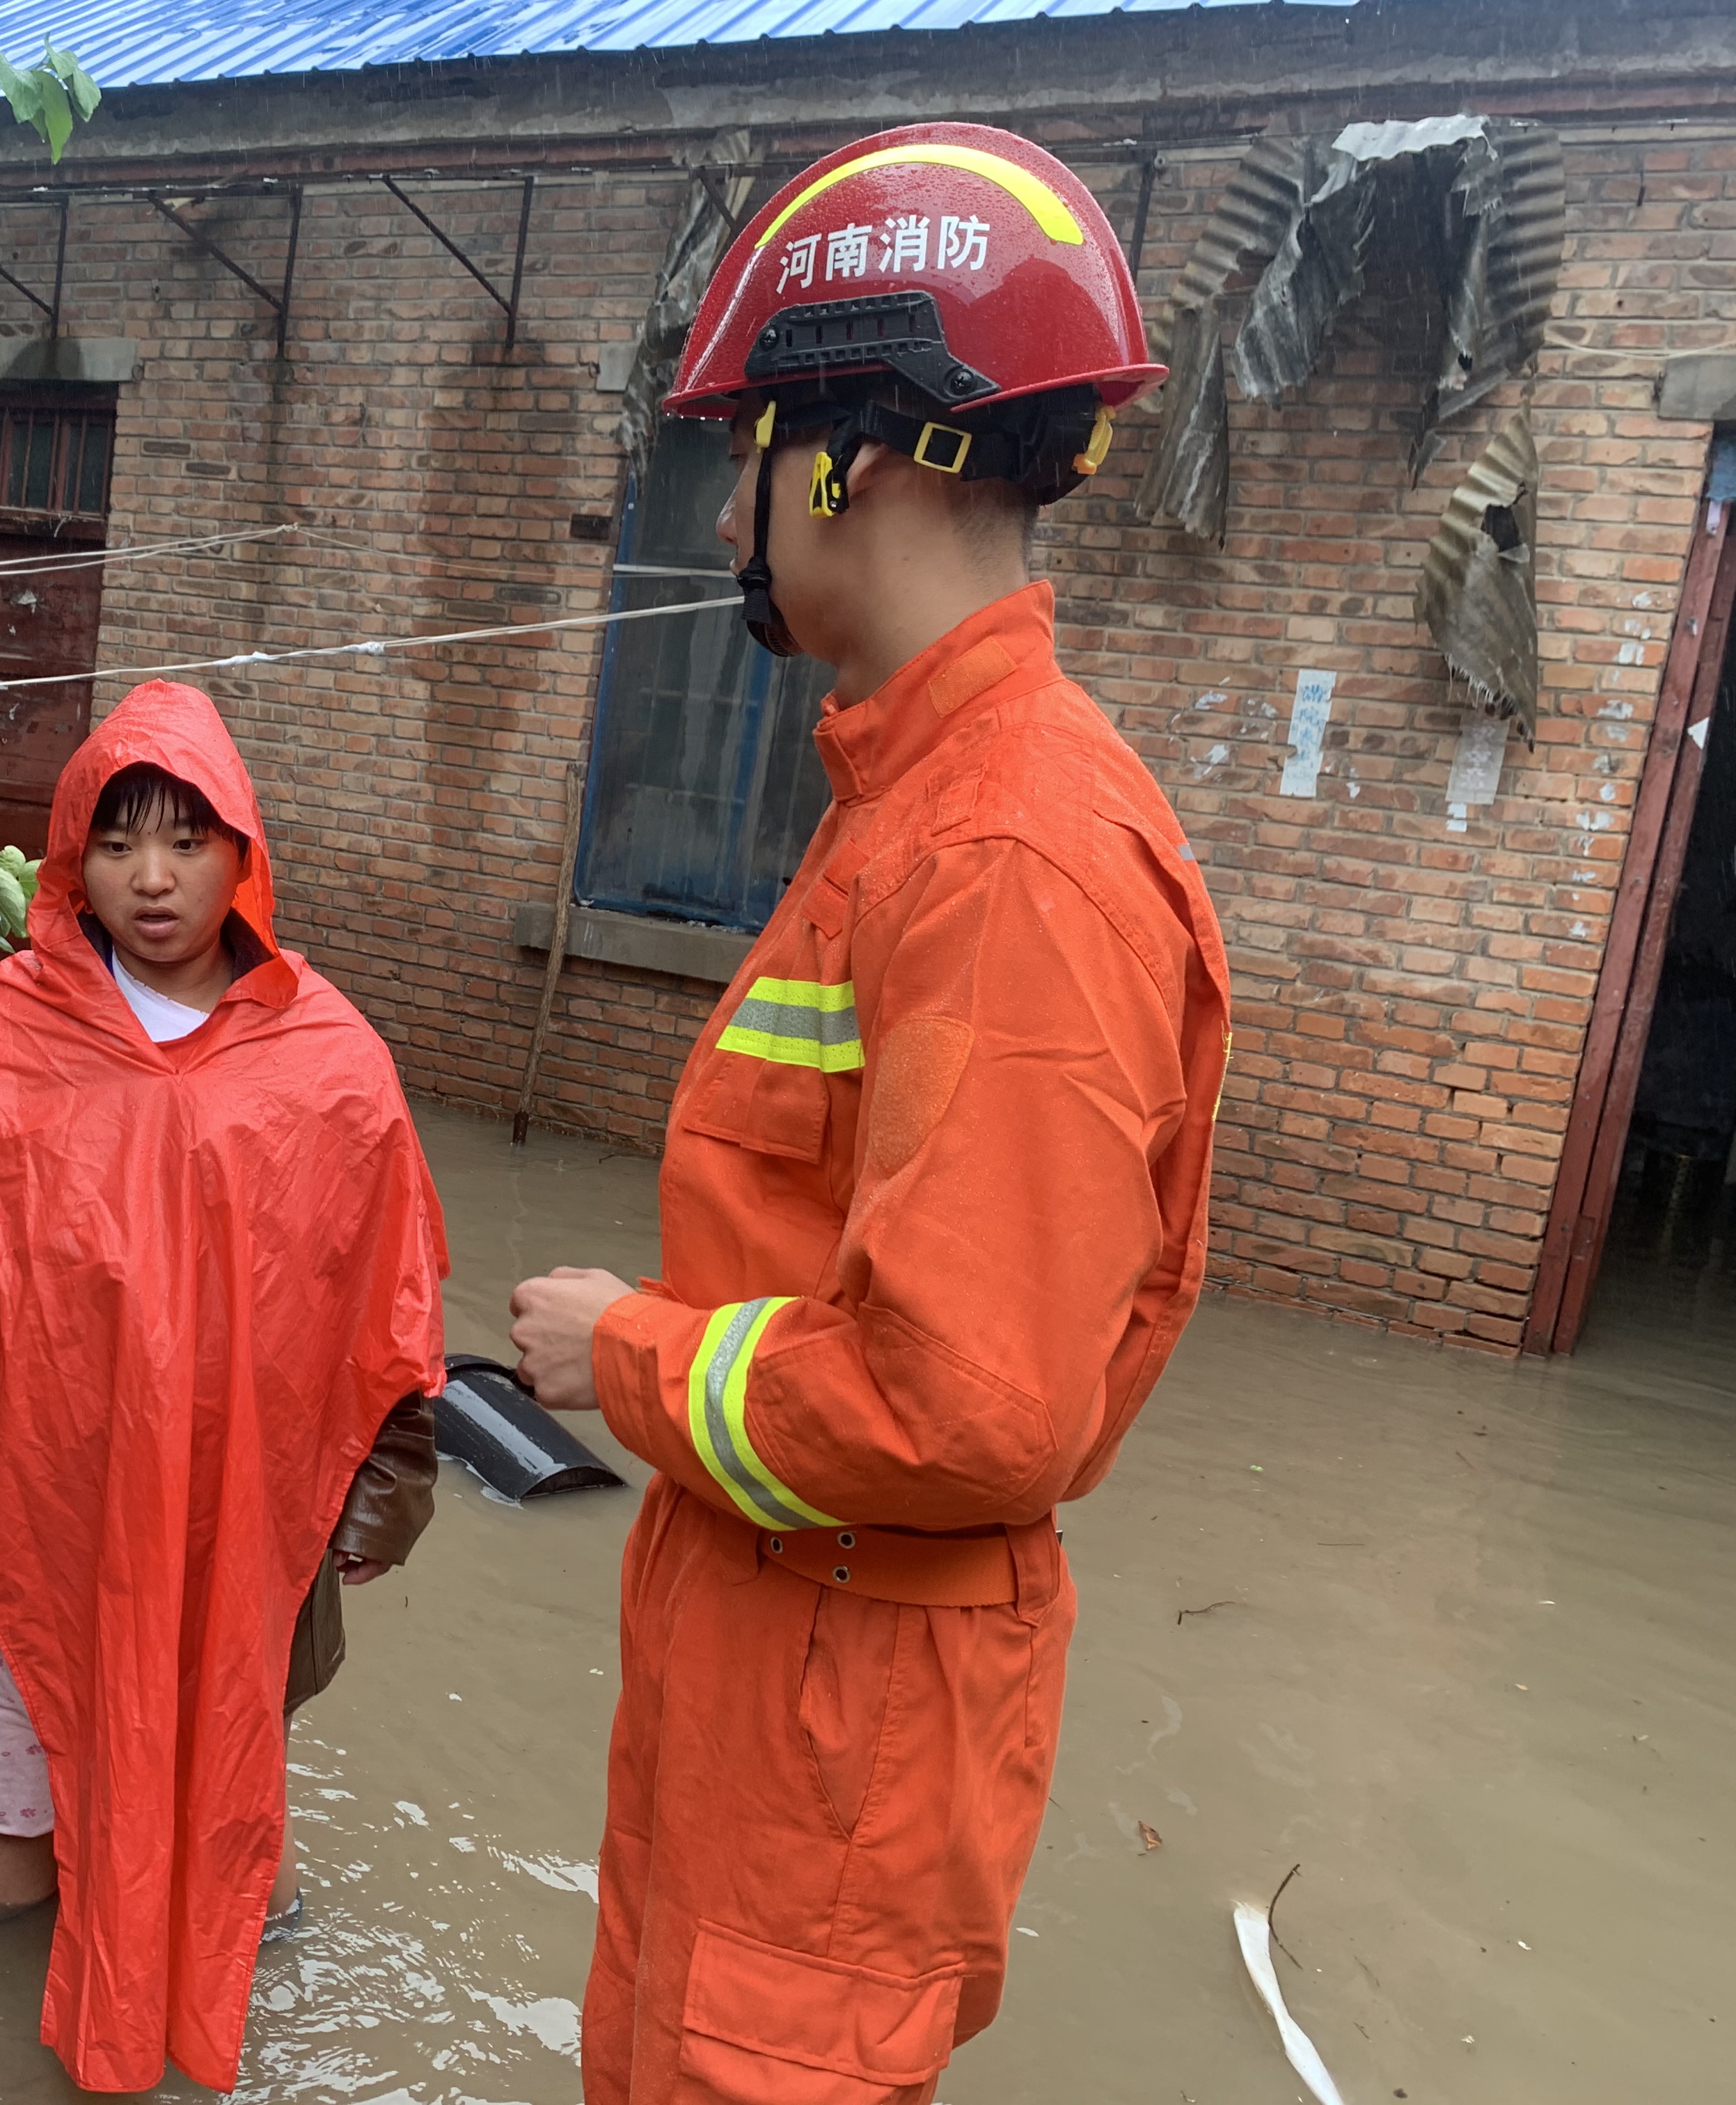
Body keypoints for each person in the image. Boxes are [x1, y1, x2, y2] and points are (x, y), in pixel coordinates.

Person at [507, 123, 1232, 2105]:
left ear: (854, 454)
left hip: (840, 1715)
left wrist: (631, 1354)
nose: (726, 505)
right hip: (784, 1664)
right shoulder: (914, 805)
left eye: (747, 447)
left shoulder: (1007, 854)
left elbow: (973, 1401)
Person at [0, 678, 448, 2095]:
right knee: (3, 1834)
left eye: (185, 840)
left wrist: (385, 1492)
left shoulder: (331, 1061)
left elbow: (387, 1311)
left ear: (243, 854)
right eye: (115, 844)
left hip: (237, 1536)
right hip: (31, 1521)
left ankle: (204, 1996)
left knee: (224, 1803)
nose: (150, 878)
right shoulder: (1, 1037)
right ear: (71, 859)